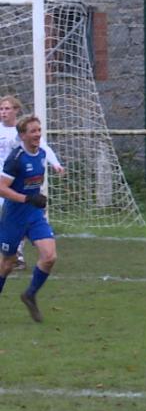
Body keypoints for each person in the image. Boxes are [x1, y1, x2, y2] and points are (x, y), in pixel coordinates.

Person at [0, 115, 58, 322]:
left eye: (39, 130)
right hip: (13, 217)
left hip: (34, 215)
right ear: (22, 135)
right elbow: (2, 189)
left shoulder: (41, 153)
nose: (37, 134)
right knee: (7, 263)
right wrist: (27, 198)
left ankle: (30, 294)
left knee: (49, 256)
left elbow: (33, 183)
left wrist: (37, 197)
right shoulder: (15, 160)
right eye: (33, 131)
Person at [0, 95, 64, 271]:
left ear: (16, 111)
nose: (3, 112)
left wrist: (56, 163)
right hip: (3, 179)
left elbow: (44, 148)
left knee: (18, 215)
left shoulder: (25, 132)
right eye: (1, 109)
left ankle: (17, 254)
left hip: (17, 182)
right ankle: (12, 252)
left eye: (7, 108)